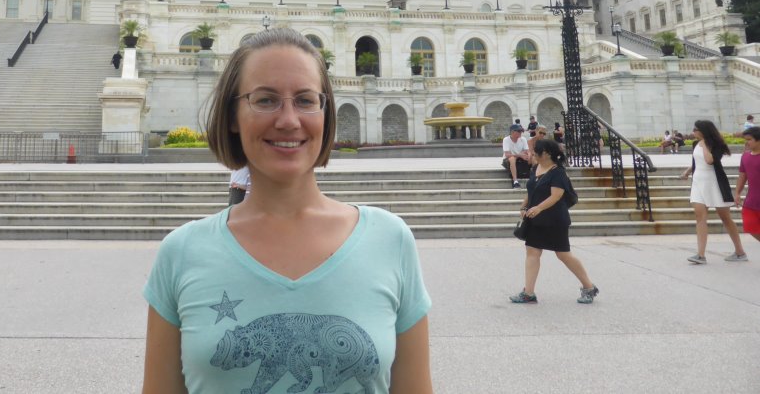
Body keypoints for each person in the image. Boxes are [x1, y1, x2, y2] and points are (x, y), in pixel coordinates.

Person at [141, 29, 433, 393]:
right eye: (265, 100)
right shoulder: (181, 252)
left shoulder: (390, 240)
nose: (289, 120)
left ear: (325, 112)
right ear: (232, 115)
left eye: (306, 100)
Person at [510, 139, 599, 305]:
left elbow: (556, 196)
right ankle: (528, 293)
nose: (533, 153)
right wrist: (523, 207)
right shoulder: (536, 168)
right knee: (532, 252)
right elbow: (532, 190)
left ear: (547, 153)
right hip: (536, 219)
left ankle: (589, 287)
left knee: (563, 254)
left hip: (555, 220)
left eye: (537, 151)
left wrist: (539, 208)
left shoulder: (558, 172)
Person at [680, 119, 747, 263]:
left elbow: (710, 161)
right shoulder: (695, 144)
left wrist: (704, 145)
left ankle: (740, 251)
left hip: (715, 183)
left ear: (703, 131)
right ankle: (701, 254)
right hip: (698, 182)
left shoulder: (716, 144)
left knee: (725, 218)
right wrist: (687, 171)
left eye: (695, 129)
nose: (693, 132)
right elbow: (696, 162)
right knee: (700, 217)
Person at [735, 126, 760, 246]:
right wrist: (737, 193)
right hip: (751, 201)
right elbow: (742, 176)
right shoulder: (745, 156)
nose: (746, 142)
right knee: (750, 226)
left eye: (749, 139)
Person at [501, 124, 532, 189]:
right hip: (508, 160)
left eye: (521, 131)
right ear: (512, 132)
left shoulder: (523, 139)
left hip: (519, 158)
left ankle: (535, 177)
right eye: (519, 131)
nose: (520, 133)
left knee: (533, 158)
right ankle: (515, 181)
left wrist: (529, 155)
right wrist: (520, 155)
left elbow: (527, 151)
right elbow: (507, 154)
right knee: (512, 159)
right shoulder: (506, 139)